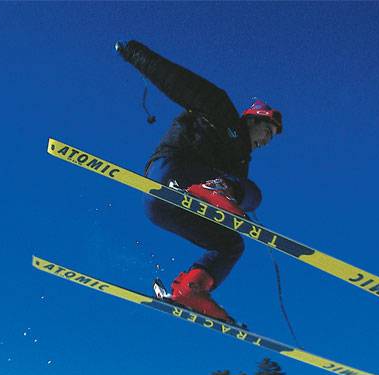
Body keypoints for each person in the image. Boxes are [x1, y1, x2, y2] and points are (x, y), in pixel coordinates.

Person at [116, 40, 283, 324]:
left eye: (270, 138)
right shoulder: (221, 111)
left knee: (232, 243)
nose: (266, 140)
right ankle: (213, 189)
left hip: (162, 209)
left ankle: (191, 291)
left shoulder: (240, 164)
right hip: (170, 173)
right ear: (252, 119)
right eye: (267, 130)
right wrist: (133, 53)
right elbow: (178, 82)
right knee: (247, 192)